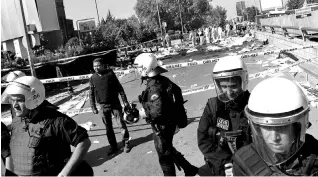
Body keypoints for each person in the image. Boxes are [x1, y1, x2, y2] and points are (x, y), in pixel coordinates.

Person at [2, 76, 92, 176]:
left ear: (33, 99)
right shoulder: (19, 120)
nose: (14, 106)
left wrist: (64, 173)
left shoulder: (56, 121)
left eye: (19, 100)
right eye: (12, 100)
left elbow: (84, 142)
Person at [233, 77, 318, 176]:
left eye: (282, 128)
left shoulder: (314, 155)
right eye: (267, 127)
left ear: (296, 128)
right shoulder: (245, 162)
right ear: (258, 129)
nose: (274, 138)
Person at [134, 53, 198, 176]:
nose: (136, 70)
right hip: (169, 121)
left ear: (145, 67)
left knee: (164, 157)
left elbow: (157, 112)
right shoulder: (161, 79)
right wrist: (176, 107)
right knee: (167, 148)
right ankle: (189, 168)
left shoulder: (154, 86)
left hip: (162, 125)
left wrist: (143, 113)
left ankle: (184, 171)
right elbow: (177, 89)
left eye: (138, 67)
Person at [197, 56, 252, 176]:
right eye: (224, 86)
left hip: (249, 166)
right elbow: (203, 139)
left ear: (243, 81)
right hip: (220, 165)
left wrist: (241, 165)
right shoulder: (213, 106)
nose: (229, 92)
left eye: (233, 86)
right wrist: (225, 162)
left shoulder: (254, 105)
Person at [89, 58, 132, 155]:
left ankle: (126, 142)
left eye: (98, 65)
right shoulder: (92, 78)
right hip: (103, 106)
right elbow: (91, 93)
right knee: (108, 128)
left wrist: (125, 101)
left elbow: (119, 88)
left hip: (115, 104)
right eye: (94, 66)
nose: (96, 68)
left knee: (121, 124)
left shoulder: (110, 74)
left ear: (103, 65)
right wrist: (93, 107)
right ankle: (113, 146)